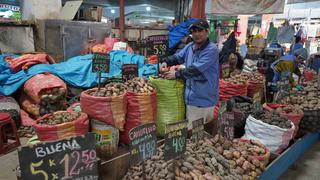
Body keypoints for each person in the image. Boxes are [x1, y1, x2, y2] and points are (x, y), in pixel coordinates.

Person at [160, 19, 219, 130]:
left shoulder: (211, 49)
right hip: (192, 98)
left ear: (207, 32)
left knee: (200, 134)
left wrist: (176, 74)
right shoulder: (190, 46)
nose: (196, 34)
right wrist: (165, 62)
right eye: (194, 31)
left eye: (200, 31)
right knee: (193, 133)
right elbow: (178, 57)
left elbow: (195, 69)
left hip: (204, 99)